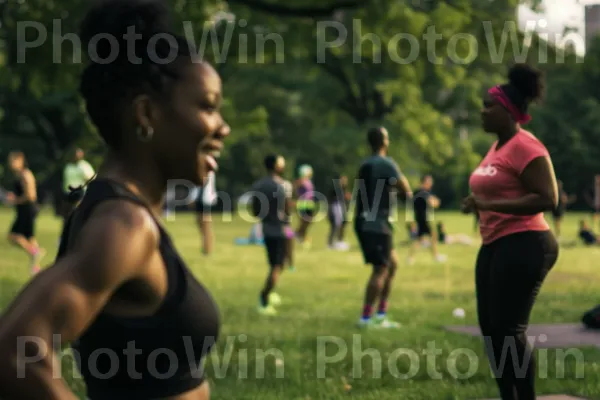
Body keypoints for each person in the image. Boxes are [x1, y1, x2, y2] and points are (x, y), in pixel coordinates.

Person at [0, 1, 230, 399]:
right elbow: (16, 351)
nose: (223, 127)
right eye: (208, 106)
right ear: (145, 114)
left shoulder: (117, 211)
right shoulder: (123, 224)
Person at [461, 63, 559, 399]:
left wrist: (490, 206)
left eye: (490, 106)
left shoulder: (526, 146)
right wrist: (477, 202)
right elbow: (499, 191)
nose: (483, 111)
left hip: (527, 243)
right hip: (494, 244)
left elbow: (548, 197)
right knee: (491, 331)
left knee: (509, 330)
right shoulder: (497, 147)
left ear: (509, 111)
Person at [354, 126, 412, 328]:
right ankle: (366, 318)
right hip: (377, 223)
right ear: (385, 142)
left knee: (392, 264)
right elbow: (406, 191)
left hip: (364, 221)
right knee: (381, 269)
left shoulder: (365, 164)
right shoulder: (386, 164)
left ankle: (381, 314)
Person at [250, 155, 292, 315]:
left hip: (266, 229)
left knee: (274, 264)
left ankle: (271, 293)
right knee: (277, 266)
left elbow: (255, 211)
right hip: (280, 230)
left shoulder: (258, 185)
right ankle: (264, 297)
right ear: (276, 166)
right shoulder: (283, 185)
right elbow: (288, 210)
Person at [4, 151, 45, 274]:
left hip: (27, 209)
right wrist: (14, 196)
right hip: (24, 209)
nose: (11, 163)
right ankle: (35, 267)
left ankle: (35, 252)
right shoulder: (19, 175)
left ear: (21, 161)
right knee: (30, 238)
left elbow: (30, 196)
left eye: (13, 160)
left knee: (13, 236)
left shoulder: (25, 175)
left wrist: (15, 200)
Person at [407, 175, 446, 264]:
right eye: (429, 182)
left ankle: (410, 258)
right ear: (424, 182)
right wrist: (436, 201)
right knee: (431, 236)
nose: (431, 184)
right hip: (423, 219)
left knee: (421, 238)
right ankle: (435, 256)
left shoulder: (416, 192)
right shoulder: (423, 192)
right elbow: (433, 203)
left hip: (418, 218)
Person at [61, 147, 95, 219]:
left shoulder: (84, 166)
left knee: (76, 210)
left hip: (79, 192)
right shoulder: (68, 166)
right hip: (68, 192)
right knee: (66, 212)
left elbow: (90, 178)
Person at [195, 170, 218, 255]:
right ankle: (205, 246)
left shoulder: (208, 172)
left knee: (206, 225)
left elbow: (203, 183)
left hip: (206, 200)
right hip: (201, 199)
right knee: (200, 223)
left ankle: (207, 248)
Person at [327, 174, 350, 250]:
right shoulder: (336, 188)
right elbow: (333, 198)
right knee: (336, 225)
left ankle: (339, 241)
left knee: (342, 224)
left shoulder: (343, 189)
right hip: (336, 207)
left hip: (341, 208)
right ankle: (333, 242)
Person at [294, 164, 315, 248]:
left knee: (308, 222)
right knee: (303, 222)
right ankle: (298, 236)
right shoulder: (301, 181)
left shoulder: (308, 181)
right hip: (303, 205)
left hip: (309, 204)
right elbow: (294, 186)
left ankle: (300, 236)